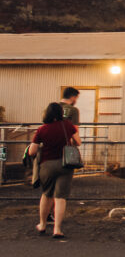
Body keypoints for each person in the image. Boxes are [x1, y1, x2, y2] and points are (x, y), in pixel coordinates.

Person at [28, 102, 81, 239]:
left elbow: (32, 151)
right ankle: (57, 229)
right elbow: (78, 142)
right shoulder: (68, 125)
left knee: (47, 195)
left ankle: (42, 225)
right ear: (60, 113)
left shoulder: (42, 129)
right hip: (65, 164)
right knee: (60, 197)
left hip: (47, 165)